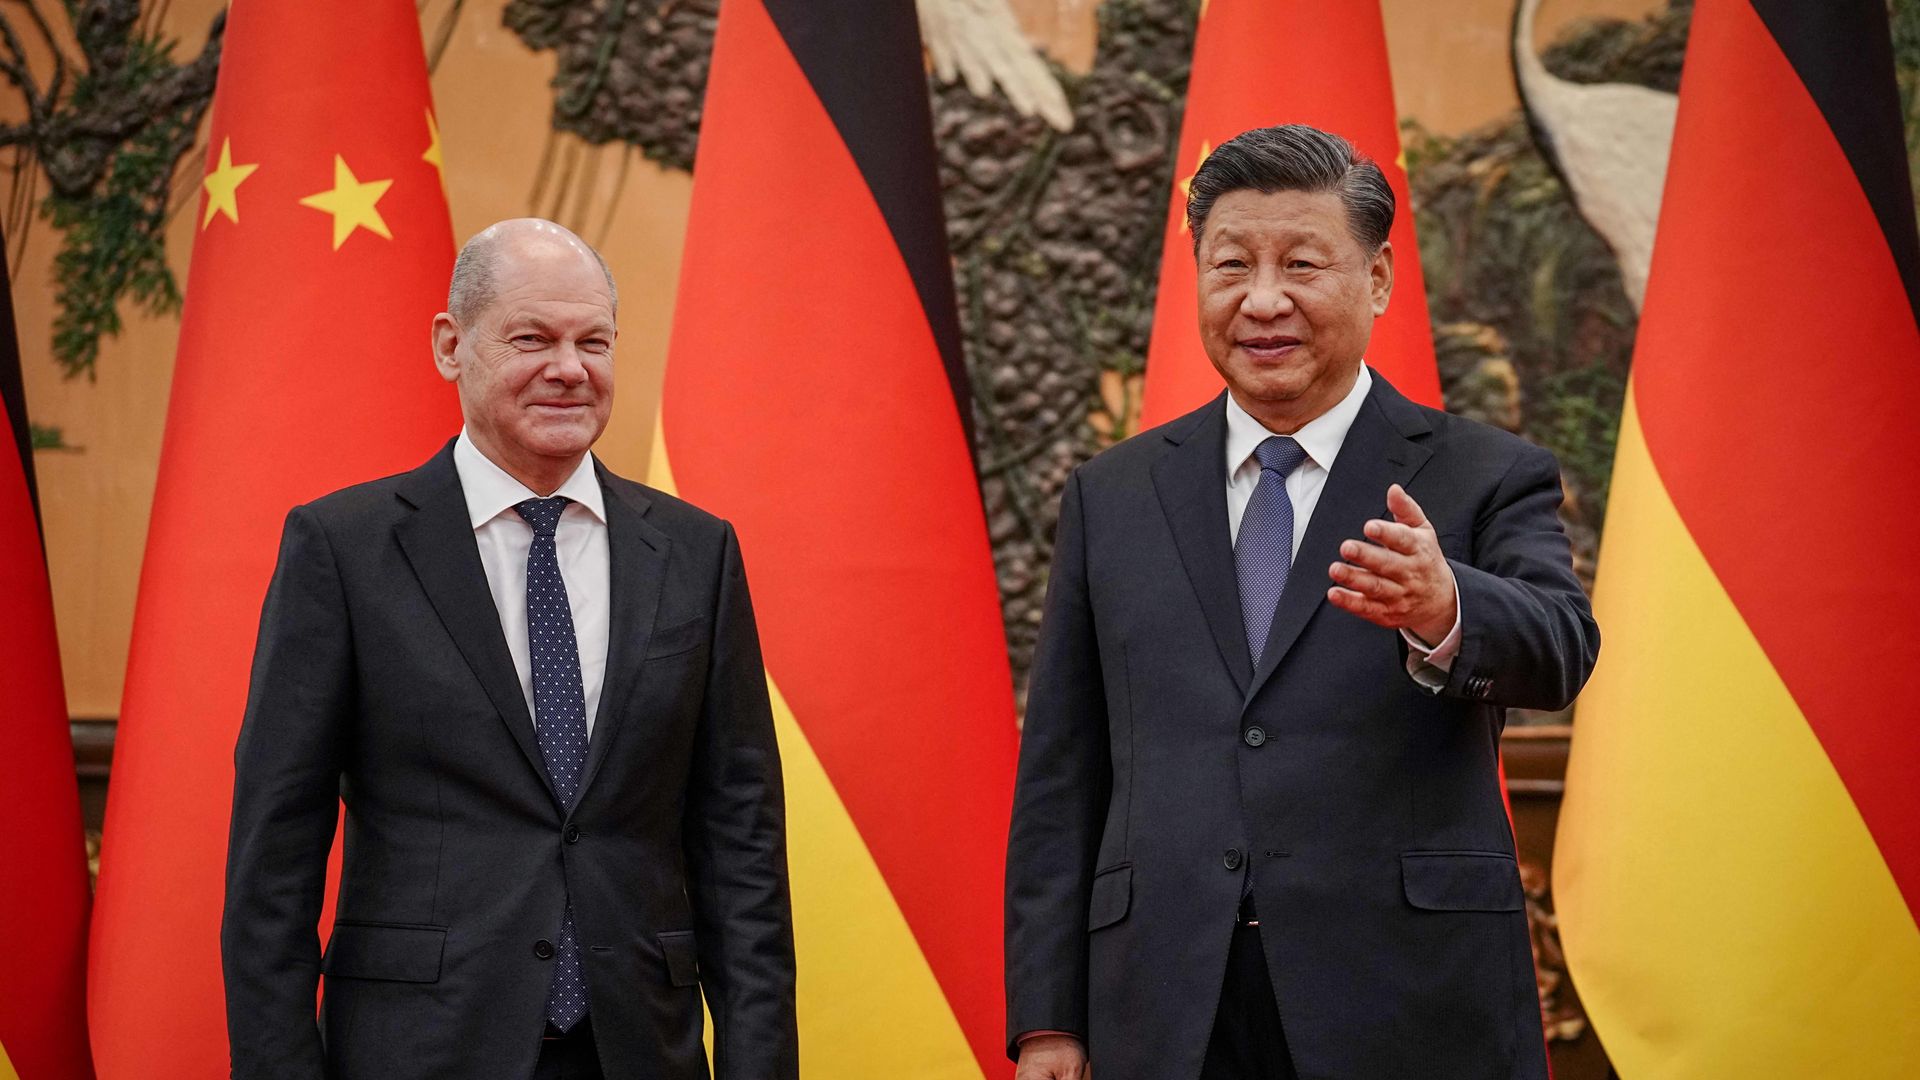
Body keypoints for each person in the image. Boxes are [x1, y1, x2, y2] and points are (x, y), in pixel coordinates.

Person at [1004, 125, 1599, 1080]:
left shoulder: (1483, 473)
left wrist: (1447, 606)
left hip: (1404, 1000)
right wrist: (1047, 1019)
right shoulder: (1112, 494)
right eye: (1231, 265)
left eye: (1302, 264)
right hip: (1165, 1003)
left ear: (1378, 279)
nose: (1263, 299)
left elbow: (1563, 645)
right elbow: (1063, 774)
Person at [222, 219, 798, 1080]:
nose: (570, 368)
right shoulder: (344, 548)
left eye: (593, 341)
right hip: (418, 1050)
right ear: (452, 346)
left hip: (639, 1046)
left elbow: (740, 841)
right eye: (533, 338)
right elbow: (276, 851)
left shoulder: (694, 551)